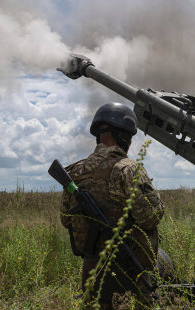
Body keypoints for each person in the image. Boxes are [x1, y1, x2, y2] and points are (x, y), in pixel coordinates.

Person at [60, 102, 165, 309]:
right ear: (124, 136)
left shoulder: (74, 172)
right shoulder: (128, 169)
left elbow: (66, 220)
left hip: (91, 272)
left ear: (99, 136)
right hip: (130, 272)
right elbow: (151, 217)